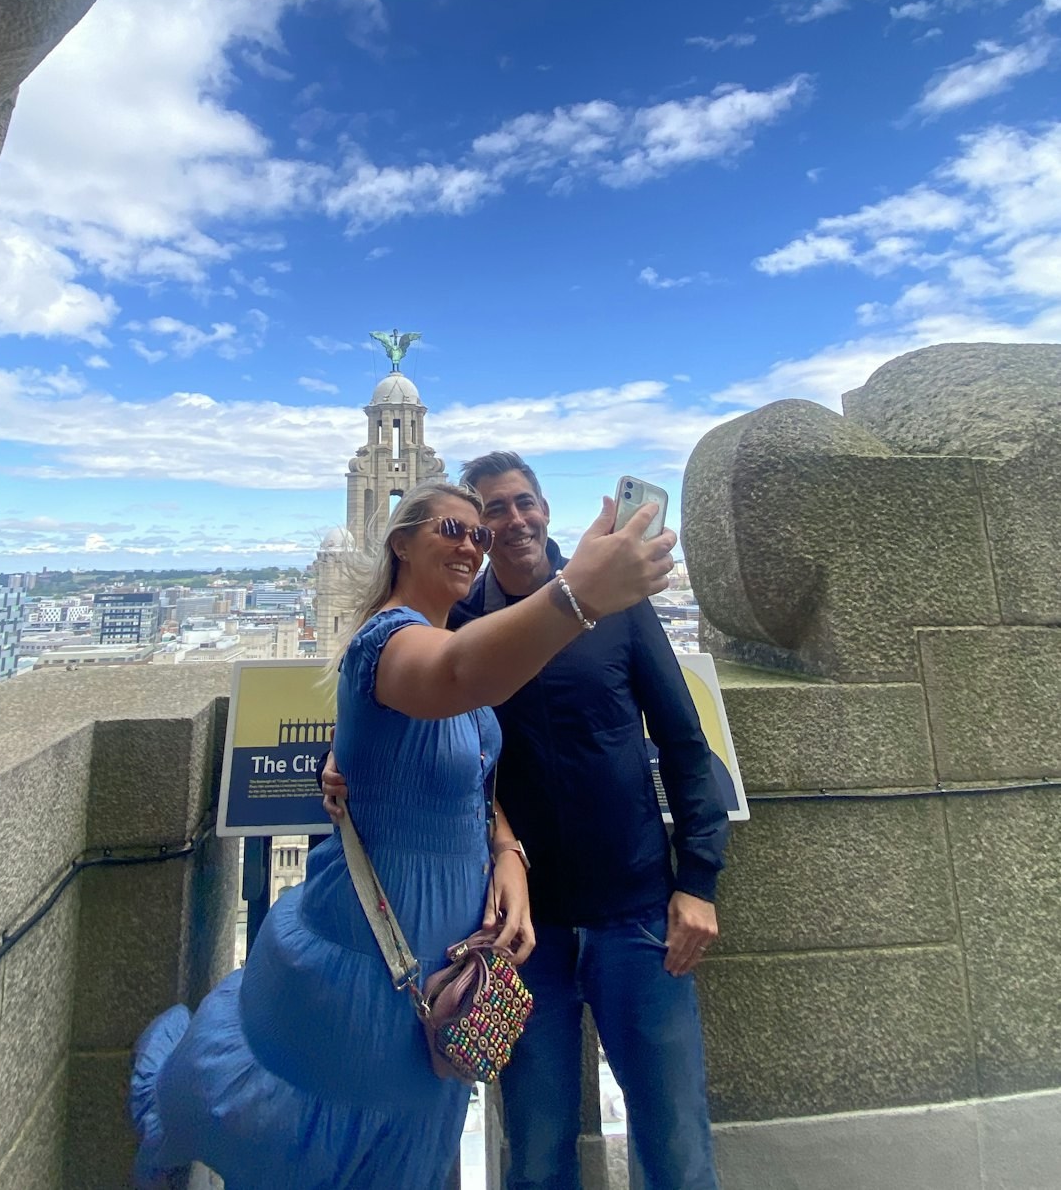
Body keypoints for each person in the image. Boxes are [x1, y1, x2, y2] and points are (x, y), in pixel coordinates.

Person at [128, 478, 676, 1190]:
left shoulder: (443, 634)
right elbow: (452, 675)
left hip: (446, 949)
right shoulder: (388, 640)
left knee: (417, 1131)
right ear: (400, 542)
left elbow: (472, 770)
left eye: (477, 536)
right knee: (352, 1131)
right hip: (376, 947)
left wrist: (506, 849)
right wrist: (578, 594)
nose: (472, 545)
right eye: (452, 529)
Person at [324, 453, 730, 1190]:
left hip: (636, 915)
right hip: (519, 937)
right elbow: (409, 703)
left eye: (522, 504)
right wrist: (341, 753)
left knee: (675, 1140)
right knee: (536, 1150)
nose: (507, 524)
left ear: (546, 509)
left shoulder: (617, 610)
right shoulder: (463, 625)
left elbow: (683, 742)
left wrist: (697, 878)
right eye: (485, 515)